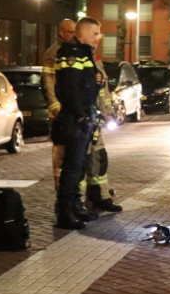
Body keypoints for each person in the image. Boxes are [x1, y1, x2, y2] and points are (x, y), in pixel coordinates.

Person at [52, 18, 103, 229]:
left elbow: (84, 88)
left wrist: (98, 84)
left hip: (81, 118)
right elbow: (69, 88)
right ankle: (65, 213)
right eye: (96, 33)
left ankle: (75, 207)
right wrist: (81, 115)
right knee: (72, 168)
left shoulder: (83, 53)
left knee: (80, 166)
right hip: (74, 120)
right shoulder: (72, 53)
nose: (98, 38)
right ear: (83, 33)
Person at [85, 41, 123, 213]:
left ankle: (100, 197)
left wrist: (108, 113)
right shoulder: (73, 58)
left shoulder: (95, 59)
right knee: (80, 165)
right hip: (81, 121)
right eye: (94, 35)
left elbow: (103, 89)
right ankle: (77, 204)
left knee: (99, 160)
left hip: (94, 121)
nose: (97, 39)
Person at [42, 19, 77, 190]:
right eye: (70, 32)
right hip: (60, 114)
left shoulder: (75, 51)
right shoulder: (53, 53)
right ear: (61, 33)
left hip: (72, 112)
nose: (73, 35)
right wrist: (56, 108)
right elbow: (49, 83)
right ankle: (60, 192)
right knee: (60, 155)